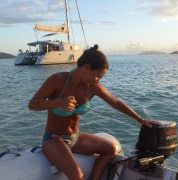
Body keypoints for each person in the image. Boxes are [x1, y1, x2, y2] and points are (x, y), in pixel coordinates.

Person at [28, 44, 160, 180]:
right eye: (98, 76)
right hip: (53, 139)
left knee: (110, 149)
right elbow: (32, 104)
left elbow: (115, 102)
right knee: (77, 176)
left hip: (75, 137)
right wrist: (58, 103)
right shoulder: (58, 80)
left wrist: (140, 119)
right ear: (87, 67)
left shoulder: (93, 87)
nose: (98, 80)